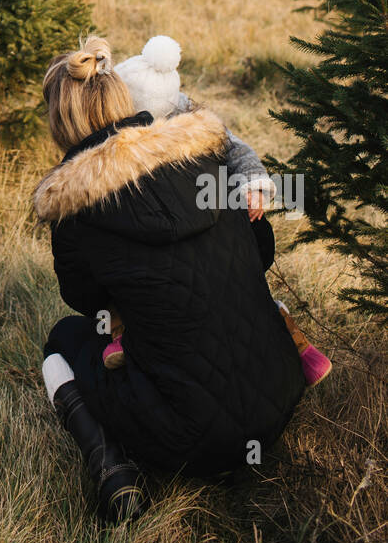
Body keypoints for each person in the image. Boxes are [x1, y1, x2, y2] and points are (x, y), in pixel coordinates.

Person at [35, 35, 306, 523]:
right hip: (281, 395)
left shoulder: (74, 206)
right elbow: (260, 249)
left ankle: (110, 464)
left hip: (190, 436)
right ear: (121, 94)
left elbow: (87, 301)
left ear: (59, 122)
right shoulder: (203, 154)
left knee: (65, 338)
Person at [102, 35, 331, 386]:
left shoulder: (192, 120)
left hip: (214, 226)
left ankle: (285, 330)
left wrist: (254, 187)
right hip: (168, 229)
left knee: (231, 282)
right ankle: (122, 326)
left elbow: (239, 151)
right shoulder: (121, 136)